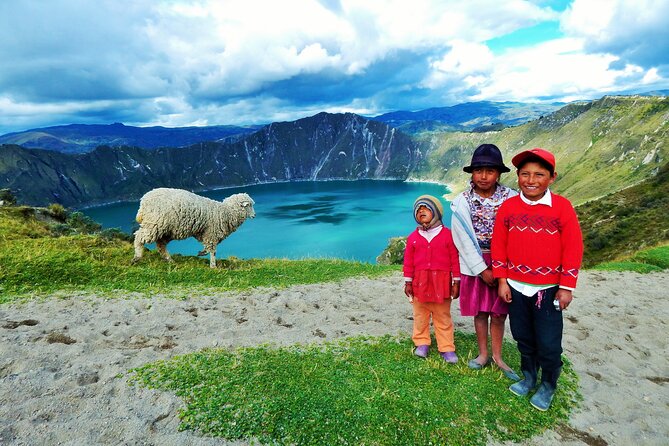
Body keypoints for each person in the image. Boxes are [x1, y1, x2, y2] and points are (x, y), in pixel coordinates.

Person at [491, 148, 583, 411]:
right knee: (522, 335)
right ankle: (529, 376)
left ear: (552, 177)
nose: (531, 180)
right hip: (516, 288)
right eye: (525, 174)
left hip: (548, 289)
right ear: (518, 176)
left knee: (549, 341)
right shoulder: (508, 208)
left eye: (539, 175)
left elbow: (573, 248)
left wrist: (566, 287)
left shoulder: (562, 208)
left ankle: (548, 384)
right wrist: (502, 280)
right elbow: (499, 245)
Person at [450, 144, 519, 381]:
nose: (483, 176)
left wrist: (499, 269)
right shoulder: (462, 201)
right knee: (480, 312)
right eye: (479, 170)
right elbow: (461, 238)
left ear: (499, 173)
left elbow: (516, 233)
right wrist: (481, 269)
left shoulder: (511, 198)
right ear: (472, 173)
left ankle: (498, 357)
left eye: (490, 171)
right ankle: (483, 354)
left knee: (499, 313)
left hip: (502, 261)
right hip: (475, 262)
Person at [403, 195, 461, 363]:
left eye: (426, 208)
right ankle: (422, 342)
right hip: (419, 284)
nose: (421, 211)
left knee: (442, 316)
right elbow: (408, 263)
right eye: (418, 209)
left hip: (441, 285)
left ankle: (447, 347)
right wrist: (408, 282)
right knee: (420, 315)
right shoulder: (413, 238)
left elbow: (454, 261)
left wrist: (456, 282)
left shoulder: (448, 236)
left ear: (436, 213)